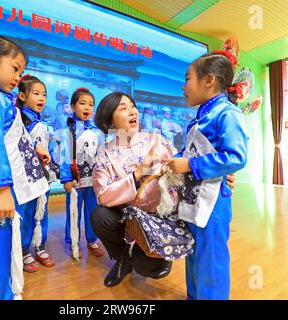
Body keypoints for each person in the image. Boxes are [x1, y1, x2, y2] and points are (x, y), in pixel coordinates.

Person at [90, 92, 237, 288]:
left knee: (149, 269)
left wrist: (216, 174)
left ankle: (152, 255)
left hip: (158, 217)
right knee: (100, 216)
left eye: (132, 106)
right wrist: (137, 175)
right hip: (126, 215)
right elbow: (102, 195)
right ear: (109, 119)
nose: (132, 111)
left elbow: (184, 166)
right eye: (123, 108)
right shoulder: (104, 151)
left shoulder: (156, 140)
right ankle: (123, 260)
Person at [162, 51, 248, 300]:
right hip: (194, 200)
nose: (183, 86)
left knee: (211, 261)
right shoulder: (200, 118)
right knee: (194, 254)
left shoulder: (227, 114)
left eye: (188, 78)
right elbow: (190, 153)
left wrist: (189, 165)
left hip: (214, 205)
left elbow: (235, 157)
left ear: (208, 80)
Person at [0, 34, 49, 299]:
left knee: (6, 249)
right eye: (15, 69)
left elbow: (10, 137)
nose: (18, 77)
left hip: (4, 188)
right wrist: (2, 189)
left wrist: (34, 149)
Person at [16, 74, 57, 272]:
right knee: (25, 214)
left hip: (43, 177)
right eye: (36, 93)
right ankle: (24, 250)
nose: (42, 98)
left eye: (44, 94)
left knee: (42, 212)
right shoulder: (18, 121)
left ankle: (40, 246)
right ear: (22, 96)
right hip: (25, 179)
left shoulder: (41, 123)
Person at [59, 87, 105, 260]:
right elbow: (64, 155)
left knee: (93, 213)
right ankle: (73, 242)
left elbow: (101, 154)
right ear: (72, 107)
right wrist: (66, 178)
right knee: (73, 214)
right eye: (82, 103)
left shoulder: (96, 131)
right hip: (75, 183)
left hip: (92, 182)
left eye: (91, 104)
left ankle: (92, 240)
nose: (87, 107)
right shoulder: (67, 132)